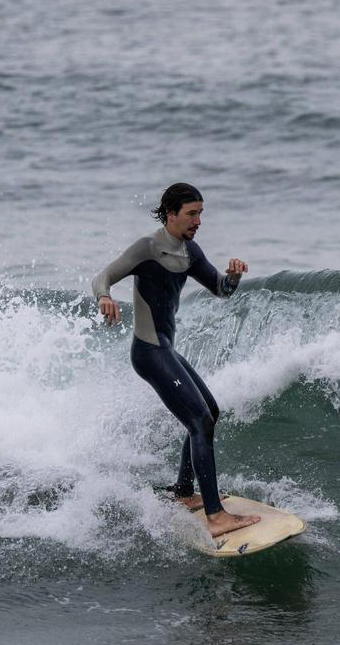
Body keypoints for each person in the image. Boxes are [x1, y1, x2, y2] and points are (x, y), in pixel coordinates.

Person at [92, 183, 259, 537]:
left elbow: (221, 290)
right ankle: (216, 517)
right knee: (199, 420)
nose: (198, 221)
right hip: (149, 352)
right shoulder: (148, 248)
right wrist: (104, 296)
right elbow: (103, 276)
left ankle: (183, 492)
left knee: (209, 413)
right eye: (191, 214)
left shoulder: (189, 252)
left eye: (201, 213)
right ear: (171, 214)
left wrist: (234, 276)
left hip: (166, 348)